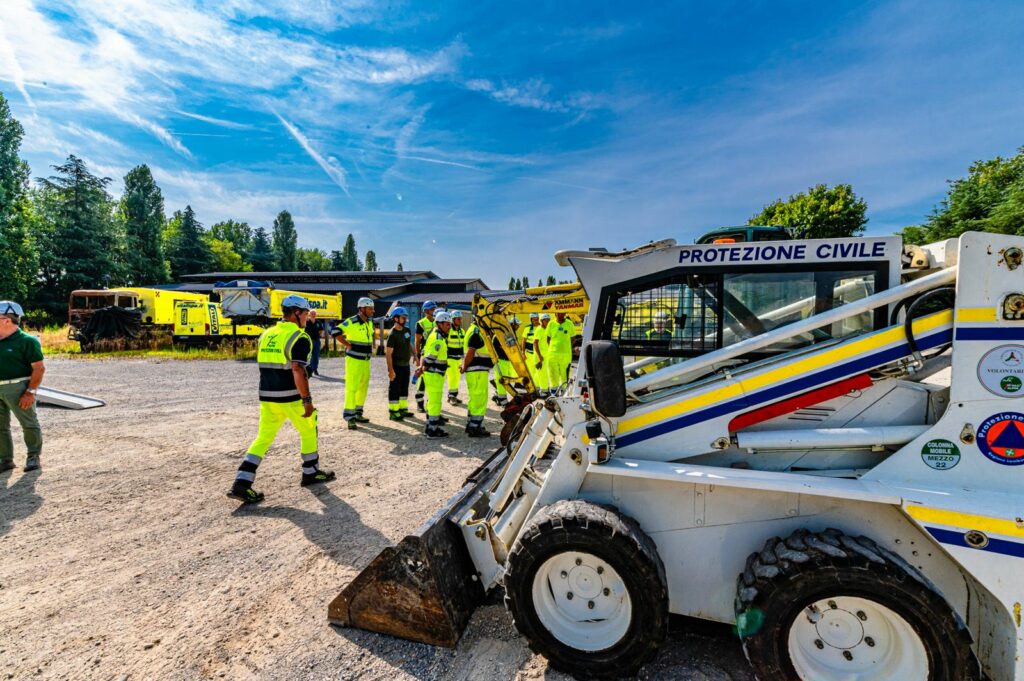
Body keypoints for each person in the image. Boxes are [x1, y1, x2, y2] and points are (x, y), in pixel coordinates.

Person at [228, 295, 334, 504]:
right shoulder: (298, 337)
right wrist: (307, 399)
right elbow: (297, 369)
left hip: (267, 397)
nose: (306, 318)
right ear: (296, 313)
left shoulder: (267, 334)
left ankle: (242, 482)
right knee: (309, 426)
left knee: (263, 438)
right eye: (304, 314)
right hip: (290, 396)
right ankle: (310, 471)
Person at [0, 301, 44, 472]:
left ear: (6, 320)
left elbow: (39, 368)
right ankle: (5, 459)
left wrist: (30, 392)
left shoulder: (27, 341)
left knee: (29, 423)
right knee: (0, 427)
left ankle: (33, 456)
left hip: (18, 388)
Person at [332, 297, 376, 429]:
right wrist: (347, 344)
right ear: (362, 309)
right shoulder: (352, 321)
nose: (373, 311)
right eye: (370, 308)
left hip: (366, 361)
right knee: (352, 388)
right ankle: (350, 417)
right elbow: (335, 331)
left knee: (363, 387)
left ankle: (358, 413)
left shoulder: (369, 322)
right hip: (354, 361)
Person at [419, 310, 452, 438]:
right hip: (434, 375)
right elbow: (430, 357)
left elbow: (424, 352)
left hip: (433, 374)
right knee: (435, 402)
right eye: (447, 324)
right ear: (439, 324)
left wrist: (422, 368)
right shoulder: (438, 339)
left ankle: (430, 426)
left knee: (432, 401)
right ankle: (432, 430)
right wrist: (423, 367)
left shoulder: (434, 335)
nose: (449, 327)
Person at [461, 320, 492, 437]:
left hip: (476, 371)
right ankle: (475, 427)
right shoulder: (477, 332)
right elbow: (471, 350)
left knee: (474, 399)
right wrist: (464, 365)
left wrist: (464, 365)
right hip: (477, 371)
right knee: (480, 399)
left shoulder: (471, 329)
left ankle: (471, 424)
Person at [385, 307, 413, 421]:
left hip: (406, 365)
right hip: (396, 366)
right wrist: (391, 370)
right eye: (403, 318)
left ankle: (403, 409)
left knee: (404, 388)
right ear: (396, 319)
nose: (405, 320)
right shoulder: (392, 334)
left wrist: (415, 355)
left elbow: (409, 344)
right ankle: (393, 411)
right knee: (395, 389)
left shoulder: (407, 331)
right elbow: (388, 354)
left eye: (405, 318)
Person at [413, 300, 438, 412]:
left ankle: (430, 403)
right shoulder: (421, 323)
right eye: (432, 309)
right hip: (424, 353)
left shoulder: (438, 321)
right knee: (422, 379)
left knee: (433, 380)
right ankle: (419, 402)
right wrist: (417, 356)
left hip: (435, 354)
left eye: (434, 309)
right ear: (426, 311)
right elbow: (417, 341)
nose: (434, 311)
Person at [545, 311, 577, 391]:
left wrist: (566, 347)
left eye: (562, 313)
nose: (560, 315)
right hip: (552, 354)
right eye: (558, 313)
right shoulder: (551, 324)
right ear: (555, 314)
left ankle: (564, 391)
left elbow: (573, 339)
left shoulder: (569, 323)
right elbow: (548, 339)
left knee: (565, 375)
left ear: (565, 314)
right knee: (553, 374)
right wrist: (553, 348)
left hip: (565, 355)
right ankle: (553, 392)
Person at [520, 312, 546, 395]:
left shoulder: (541, 327)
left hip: (538, 354)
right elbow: (523, 341)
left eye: (537, 319)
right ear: (531, 320)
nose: (536, 321)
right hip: (529, 354)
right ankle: (530, 389)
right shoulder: (527, 328)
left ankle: (537, 388)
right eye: (534, 319)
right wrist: (523, 352)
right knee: (530, 372)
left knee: (538, 372)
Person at [446, 310, 466, 405]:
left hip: (459, 358)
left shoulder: (462, 331)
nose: (460, 320)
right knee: (452, 377)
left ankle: (453, 395)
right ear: (453, 319)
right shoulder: (449, 330)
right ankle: (451, 396)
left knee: (457, 378)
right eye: (458, 319)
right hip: (450, 358)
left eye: (460, 318)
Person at [533, 313, 553, 397]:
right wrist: (539, 356)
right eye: (546, 320)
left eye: (549, 320)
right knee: (542, 374)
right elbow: (535, 343)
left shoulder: (548, 330)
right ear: (541, 321)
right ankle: (544, 392)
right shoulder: (539, 330)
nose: (548, 322)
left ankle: (535, 388)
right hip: (540, 356)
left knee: (539, 374)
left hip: (546, 355)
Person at [307, 310, 323, 375]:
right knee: (309, 356)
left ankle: (315, 369)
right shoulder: (306, 322)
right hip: (309, 341)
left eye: (314, 313)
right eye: (312, 313)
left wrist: (319, 335)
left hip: (317, 341)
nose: (313, 315)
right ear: (309, 314)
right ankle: (310, 369)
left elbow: (321, 330)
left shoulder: (318, 322)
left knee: (316, 356)